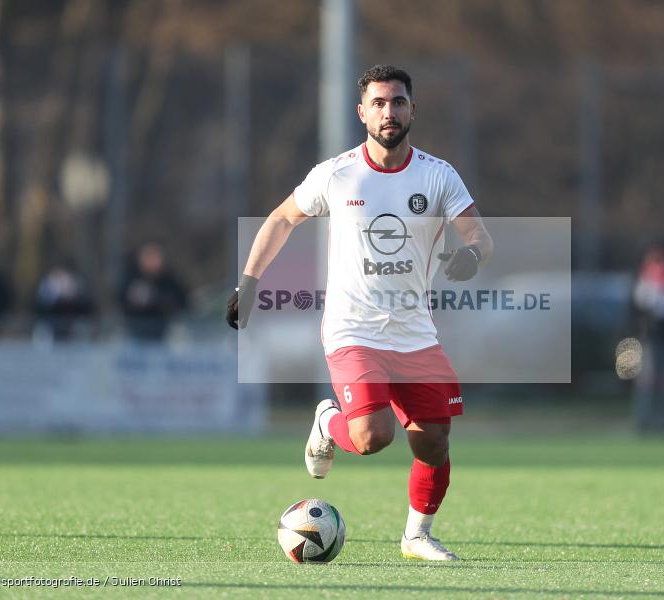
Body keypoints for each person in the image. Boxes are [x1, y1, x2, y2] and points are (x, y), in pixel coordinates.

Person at [226, 65, 493, 561]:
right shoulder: (337, 172)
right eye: (378, 103)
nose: (387, 112)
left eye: (396, 102)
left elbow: (479, 235)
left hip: (415, 333)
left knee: (434, 442)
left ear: (412, 109)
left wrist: (471, 256)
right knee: (372, 436)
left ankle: (416, 536)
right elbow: (283, 217)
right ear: (361, 112)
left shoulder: (438, 175)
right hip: (353, 328)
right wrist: (249, 281)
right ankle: (329, 421)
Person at [630, 243, 664, 436]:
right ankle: (644, 423)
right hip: (647, 340)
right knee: (646, 382)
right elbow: (634, 312)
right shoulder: (641, 282)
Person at [119, 242, 187, 341]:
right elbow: (119, 300)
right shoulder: (131, 278)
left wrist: (159, 300)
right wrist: (134, 300)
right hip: (134, 333)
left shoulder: (169, 280)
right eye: (148, 257)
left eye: (155, 257)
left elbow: (183, 301)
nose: (152, 261)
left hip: (165, 335)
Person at [34, 261, 95, 341]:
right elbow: (43, 305)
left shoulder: (76, 284)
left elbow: (85, 305)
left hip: (72, 320)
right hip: (52, 319)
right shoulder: (48, 285)